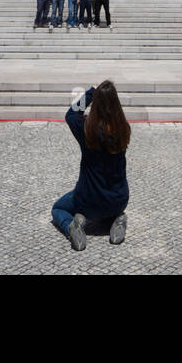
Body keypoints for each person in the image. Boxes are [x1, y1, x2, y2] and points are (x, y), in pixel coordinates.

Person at [51, 81, 130, 251]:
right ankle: (116, 219)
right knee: (109, 208)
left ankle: (71, 227)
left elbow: (70, 115)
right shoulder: (123, 129)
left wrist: (90, 92)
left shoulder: (86, 129)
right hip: (118, 199)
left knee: (58, 208)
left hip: (88, 200)